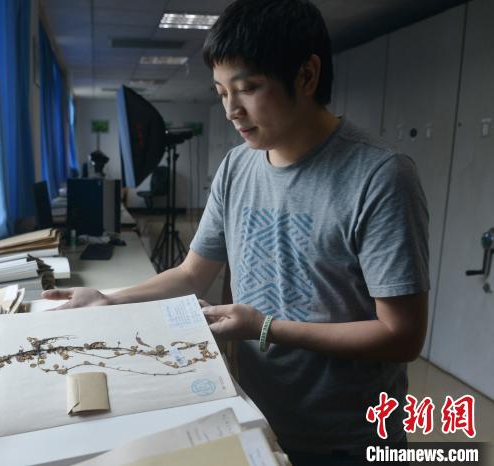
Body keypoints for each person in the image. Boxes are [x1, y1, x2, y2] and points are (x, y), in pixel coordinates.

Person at [44, 0, 429, 463]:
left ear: (307, 75)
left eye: (247, 88)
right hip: (254, 412)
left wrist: (266, 328)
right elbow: (192, 274)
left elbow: (402, 335)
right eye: (221, 92)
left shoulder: (380, 176)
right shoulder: (237, 167)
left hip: (347, 437)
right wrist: (111, 299)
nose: (231, 109)